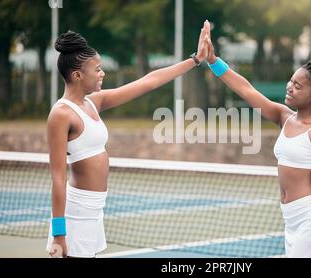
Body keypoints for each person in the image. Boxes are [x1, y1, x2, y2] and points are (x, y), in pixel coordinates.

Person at [46, 21, 210, 258]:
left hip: (95, 209)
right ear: (78, 75)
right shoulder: (61, 114)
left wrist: (195, 60)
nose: (103, 73)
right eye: (98, 69)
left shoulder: (94, 102)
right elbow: (58, 178)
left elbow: (149, 81)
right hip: (75, 213)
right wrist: (60, 234)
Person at [203, 20, 311, 258]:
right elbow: (247, 90)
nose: (290, 87)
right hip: (291, 219)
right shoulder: (284, 116)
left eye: (298, 86)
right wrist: (213, 61)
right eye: (291, 81)